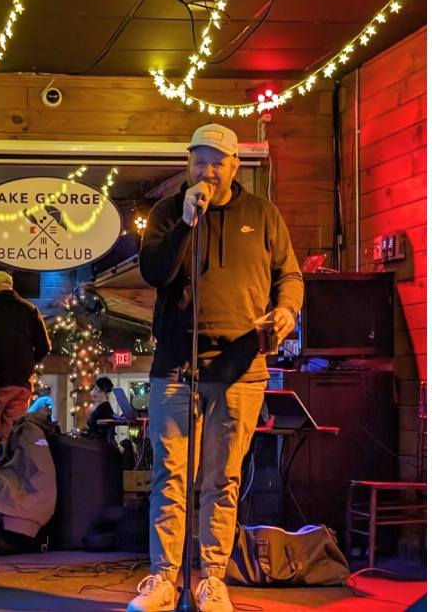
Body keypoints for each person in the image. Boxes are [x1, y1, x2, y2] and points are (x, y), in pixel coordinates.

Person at [129, 123, 303, 612]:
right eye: (198, 161)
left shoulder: (263, 215)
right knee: (171, 476)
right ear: (189, 165)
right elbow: (154, 273)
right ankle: (165, 577)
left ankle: (212, 578)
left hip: (241, 368)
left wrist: (287, 310)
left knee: (222, 479)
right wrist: (187, 221)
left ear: (234, 167)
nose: (206, 170)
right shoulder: (168, 213)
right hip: (175, 367)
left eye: (216, 162)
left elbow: (288, 273)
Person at [0, 270, 51, 471]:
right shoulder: (30, 310)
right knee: (12, 436)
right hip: (20, 385)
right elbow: (45, 346)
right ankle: (10, 481)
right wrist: (28, 364)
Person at [86, 376, 117, 443]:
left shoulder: (105, 409)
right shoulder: (95, 406)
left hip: (100, 447)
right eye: (95, 388)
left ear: (106, 393)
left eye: (100, 391)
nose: (95, 392)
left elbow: (102, 434)